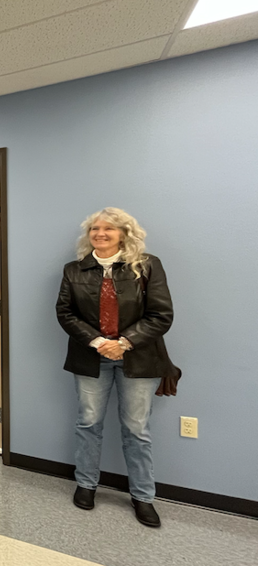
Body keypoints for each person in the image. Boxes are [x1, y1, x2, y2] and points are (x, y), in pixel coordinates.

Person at [56, 208, 174, 527]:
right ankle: (86, 484)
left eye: (109, 228)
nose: (100, 233)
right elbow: (66, 313)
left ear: (124, 233)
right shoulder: (74, 270)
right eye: (95, 228)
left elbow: (161, 315)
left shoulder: (147, 266)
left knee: (136, 429)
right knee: (88, 423)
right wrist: (98, 342)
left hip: (138, 358)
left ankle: (143, 496)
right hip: (90, 357)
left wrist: (123, 343)